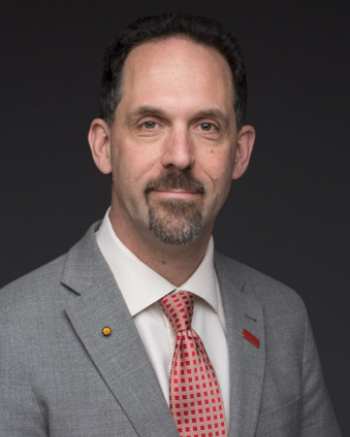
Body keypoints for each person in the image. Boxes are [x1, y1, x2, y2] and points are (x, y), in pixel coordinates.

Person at [0, 13, 341, 437]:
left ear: (239, 152)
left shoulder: (284, 316)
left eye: (206, 126)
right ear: (104, 147)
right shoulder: (11, 331)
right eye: (150, 124)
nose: (180, 155)